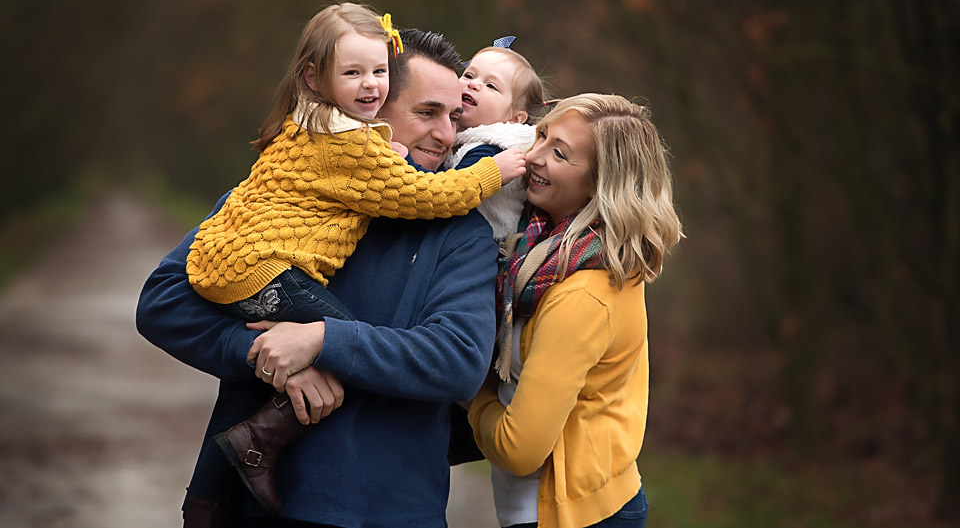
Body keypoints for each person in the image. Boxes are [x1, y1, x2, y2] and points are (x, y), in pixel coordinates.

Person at [137, 28, 503, 528]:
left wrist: (321, 340)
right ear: (368, 109)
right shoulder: (278, 200)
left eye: (454, 116)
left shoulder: (461, 234)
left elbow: (457, 359)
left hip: (392, 512)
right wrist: (261, 354)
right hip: (263, 508)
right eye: (427, 113)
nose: (446, 133)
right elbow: (162, 302)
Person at [467, 94, 683, 528]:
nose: (532, 156)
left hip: (574, 515)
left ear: (601, 184)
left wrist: (465, 391)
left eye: (560, 153)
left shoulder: (583, 290)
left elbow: (519, 449)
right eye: (541, 135)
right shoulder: (543, 251)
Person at [445, 41, 548, 241]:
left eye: (491, 86)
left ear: (514, 118)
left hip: (481, 242)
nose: (473, 84)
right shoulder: (463, 135)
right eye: (469, 75)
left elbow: (453, 190)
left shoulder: (493, 147)